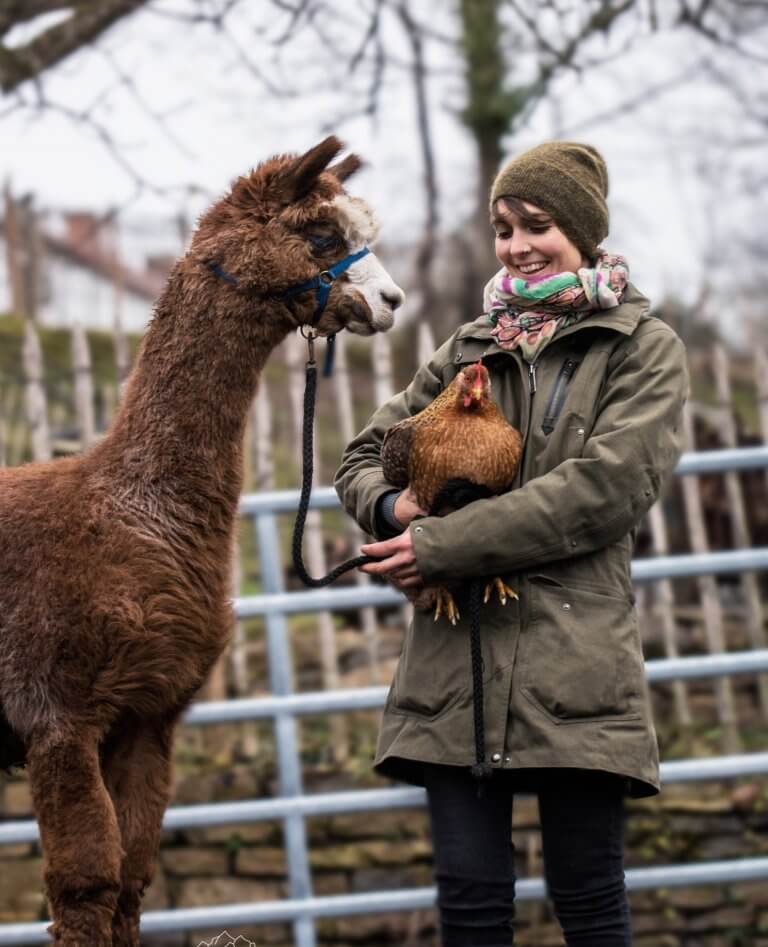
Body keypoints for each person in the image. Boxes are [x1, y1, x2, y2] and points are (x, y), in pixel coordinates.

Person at [334, 141, 689, 946]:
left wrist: (445, 548)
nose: (519, 243)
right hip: (454, 669)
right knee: (468, 897)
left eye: (539, 224)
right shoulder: (468, 347)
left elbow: (601, 493)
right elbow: (361, 455)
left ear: (585, 231)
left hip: (574, 666)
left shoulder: (640, 348)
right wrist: (395, 508)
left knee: (588, 893)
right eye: (504, 227)